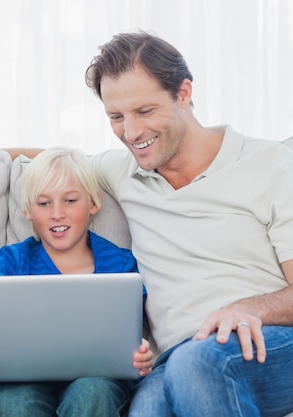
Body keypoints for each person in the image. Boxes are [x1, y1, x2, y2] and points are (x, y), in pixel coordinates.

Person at [84, 31, 293, 417]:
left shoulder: (271, 165)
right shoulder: (120, 171)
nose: (130, 133)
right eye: (116, 117)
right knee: (148, 408)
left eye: (144, 112)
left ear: (183, 93)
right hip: (173, 361)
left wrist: (252, 308)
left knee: (196, 363)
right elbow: (42, 163)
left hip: (271, 342)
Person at [0, 147, 154, 417]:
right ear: (28, 210)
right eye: (44, 203)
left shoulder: (121, 265)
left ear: (93, 204)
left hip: (98, 377)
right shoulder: (10, 263)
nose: (57, 213)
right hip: (21, 378)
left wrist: (140, 353)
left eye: (70, 200)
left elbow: (134, 332)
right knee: (14, 401)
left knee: (92, 393)